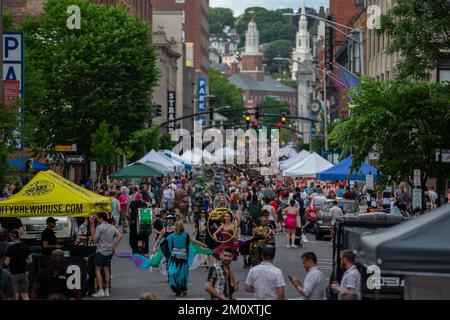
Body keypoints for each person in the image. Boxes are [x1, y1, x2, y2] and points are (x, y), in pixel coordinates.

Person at [92, 212, 123, 298]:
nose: (97, 220)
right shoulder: (112, 226)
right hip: (109, 251)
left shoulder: (99, 227)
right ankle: (107, 290)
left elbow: (94, 240)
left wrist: (91, 225)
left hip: (101, 251)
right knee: (106, 270)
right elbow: (120, 236)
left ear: (101, 218)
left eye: (97, 218)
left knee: (97, 269)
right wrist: (114, 247)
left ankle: (101, 290)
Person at [4, 229, 32, 300]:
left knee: (15, 296)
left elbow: (6, 262)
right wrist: (22, 260)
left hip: (14, 275)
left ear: (12, 237)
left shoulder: (10, 248)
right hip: (24, 274)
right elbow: (30, 261)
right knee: (25, 295)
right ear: (19, 236)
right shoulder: (25, 247)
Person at [166, 221, 191, 296]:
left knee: (174, 272)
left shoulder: (171, 236)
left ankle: (177, 289)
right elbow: (187, 245)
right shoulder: (186, 235)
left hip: (174, 256)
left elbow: (169, 247)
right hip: (184, 256)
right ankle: (184, 288)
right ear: (182, 227)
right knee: (183, 272)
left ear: (175, 227)